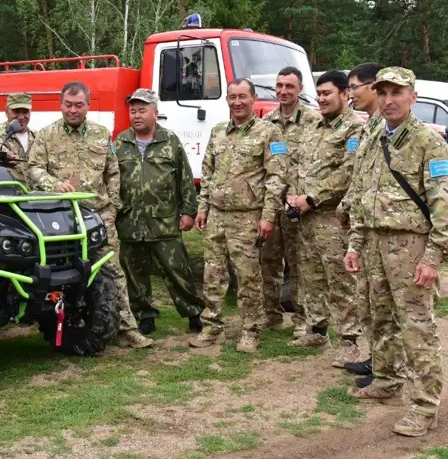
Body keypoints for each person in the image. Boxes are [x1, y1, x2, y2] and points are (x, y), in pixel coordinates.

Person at [344, 67, 448, 437]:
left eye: (397, 92)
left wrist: (433, 257)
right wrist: (356, 242)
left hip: (410, 246)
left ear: (413, 96)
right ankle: (386, 379)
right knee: (378, 317)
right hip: (374, 243)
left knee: (416, 328)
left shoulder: (428, 141)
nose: (389, 100)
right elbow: (362, 192)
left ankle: (425, 407)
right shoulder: (374, 135)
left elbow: (445, 204)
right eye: (383, 93)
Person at [27, 81, 153, 349]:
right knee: (62, 272)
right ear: (61, 105)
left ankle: (126, 329)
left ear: (88, 105)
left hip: (98, 216)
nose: (73, 110)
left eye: (79, 105)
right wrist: (53, 185)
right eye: (68, 105)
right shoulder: (46, 135)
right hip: (59, 218)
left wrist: (112, 204)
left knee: (112, 269)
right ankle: (62, 321)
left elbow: (112, 170)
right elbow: (34, 168)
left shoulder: (101, 134)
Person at [189, 78, 287, 353]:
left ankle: (250, 330)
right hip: (217, 216)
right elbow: (207, 172)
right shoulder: (219, 131)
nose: (237, 102)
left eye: (243, 96)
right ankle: (212, 326)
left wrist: (268, 216)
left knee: (248, 277)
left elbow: (277, 178)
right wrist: (203, 207)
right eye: (232, 97)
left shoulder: (269, 133)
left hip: (248, 217)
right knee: (213, 274)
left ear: (253, 98)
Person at [287, 70, 364, 370]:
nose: (321, 99)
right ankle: (317, 331)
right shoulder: (314, 126)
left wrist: (313, 197)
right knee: (311, 277)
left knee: (340, 281)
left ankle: (349, 341)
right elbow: (297, 165)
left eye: (327, 93)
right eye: (318, 94)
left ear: (345, 94)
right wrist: (293, 195)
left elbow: (348, 172)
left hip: (331, 219)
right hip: (305, 218)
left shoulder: (353, 129)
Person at [115, 88, 205, 335]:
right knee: (135, 273)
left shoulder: (170, 141)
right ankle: (145, 316)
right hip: (130, 221)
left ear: (155, 113)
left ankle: (193, 312)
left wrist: (188, 211)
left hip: (164, 221)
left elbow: (185, 179)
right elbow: (111, 180)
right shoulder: (120, 142)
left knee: (177, 270)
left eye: (142, 110)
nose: (136, 115)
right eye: (132, 110)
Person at [262, 66, 323, 337]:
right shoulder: (267, 122)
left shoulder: (312, 121)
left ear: (300, 90)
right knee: (269, 261)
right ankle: (271, 316)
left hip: (297, 206)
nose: (283, 91)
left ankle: (301, 319)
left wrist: (303, 196)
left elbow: (318, 164)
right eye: (279, 86)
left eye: (289, 86)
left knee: (298, 264)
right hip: (271, 203)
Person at [337, 62, 385, 385]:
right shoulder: (368, 127)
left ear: (373, 88)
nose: (350, 93)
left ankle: (387, 370)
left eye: (354, 87)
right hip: (364, 227)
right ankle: (378, 361)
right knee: (369, 303)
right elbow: (361, 176)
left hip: (386, 231)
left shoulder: (387, 128)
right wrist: (347, 205)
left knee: (386, 308)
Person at [0, 92, 36, 186]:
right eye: (16, 112)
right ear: (7, 112)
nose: (21, 117)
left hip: (33, 196)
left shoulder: (37, 136)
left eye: (25, 112)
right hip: (8, 192)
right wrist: (5, 155)